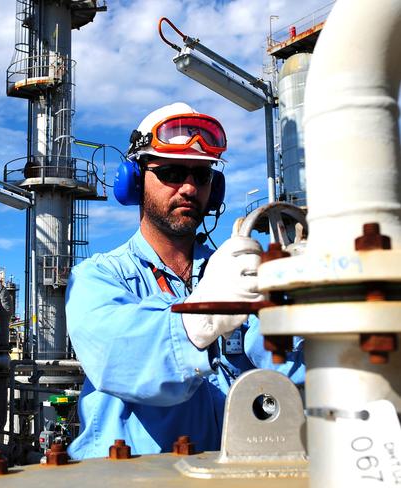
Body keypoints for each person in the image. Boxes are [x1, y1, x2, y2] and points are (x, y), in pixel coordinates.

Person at [65, 102, 304, 460]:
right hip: (127, 477)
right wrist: (204, 316)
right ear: (134, 180)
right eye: (173, 173)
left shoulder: (234, 274)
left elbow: (286, 365)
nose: (190, 188)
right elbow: (121, 357)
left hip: (226, 474)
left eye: (202, 176)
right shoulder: (99, 278)